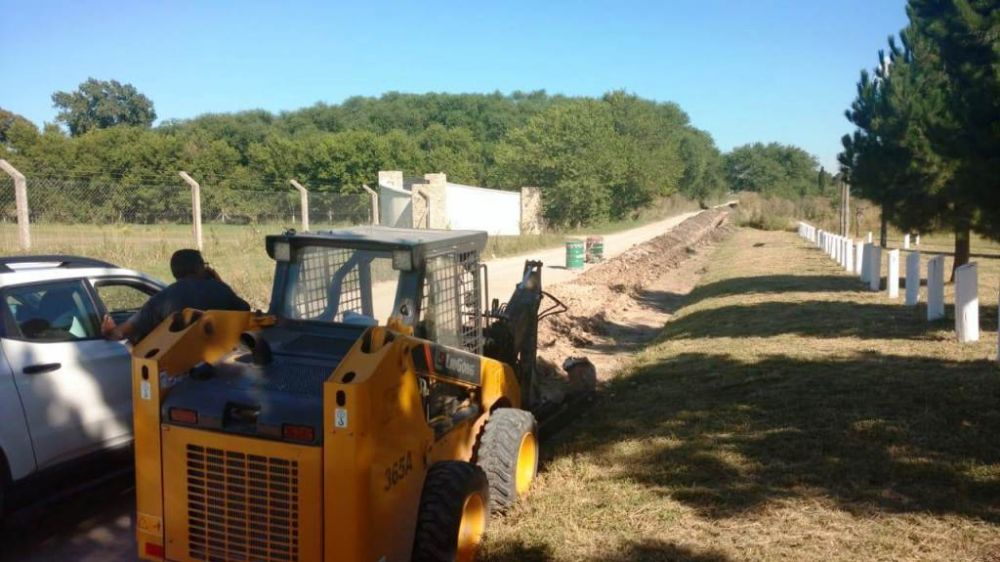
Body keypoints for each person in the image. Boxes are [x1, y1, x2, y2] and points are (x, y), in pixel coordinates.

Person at [103, 249, 250, 343]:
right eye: (204, 265)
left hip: (178, 369)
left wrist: (109, 331)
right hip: (219, 360)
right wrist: (219, 282)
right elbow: (245, 311)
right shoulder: (220, 289)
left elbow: (121, 332)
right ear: (199, 267)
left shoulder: (163, 299)